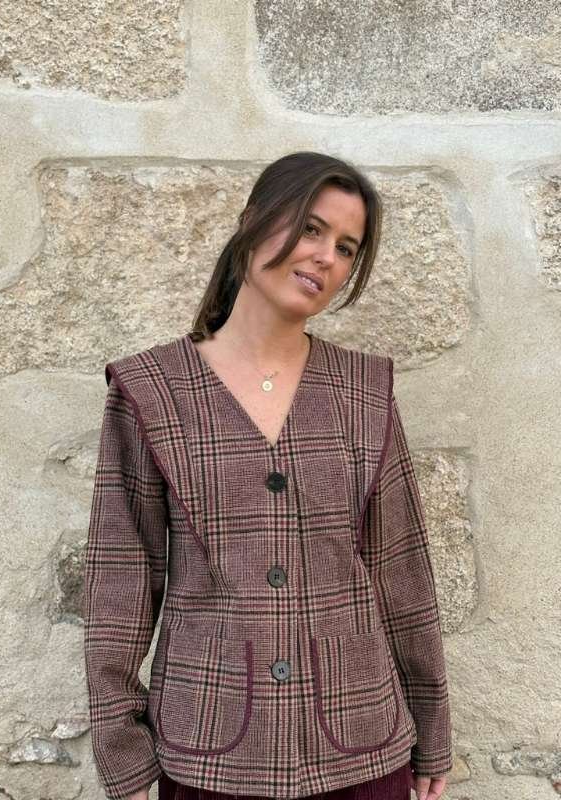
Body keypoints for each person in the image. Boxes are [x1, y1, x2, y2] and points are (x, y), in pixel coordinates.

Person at [83, 151, 453, 800]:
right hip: (208, 751)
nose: (325, 257)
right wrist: (123, 753)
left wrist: (433, 726)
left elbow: (401, 571)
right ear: (253, 220)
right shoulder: (151, 390)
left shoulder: (365, 392)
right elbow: (121, 580)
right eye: (311, 228)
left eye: (346, 247)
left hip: (363, 748)